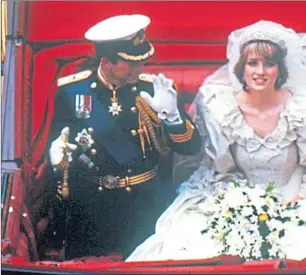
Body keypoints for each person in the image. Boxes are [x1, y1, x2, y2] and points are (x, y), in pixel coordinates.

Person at [125, 20, 306, 262]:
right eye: (253, 63)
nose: (260, 72)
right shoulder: (220, 107)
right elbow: (221, 170)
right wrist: (238, 208)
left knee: (298, 248)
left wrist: (283, 208)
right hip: (236, 197)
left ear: (281, 69)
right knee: (193, 241)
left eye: (269, 64)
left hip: (293, 199)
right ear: (241, 68)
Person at [38, 14, 202, 260]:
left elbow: (191, 147)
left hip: (145, 205)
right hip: (90, 210)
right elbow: (59, 147)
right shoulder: (72, 91)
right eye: (132, 63)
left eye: (141, 61)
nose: (140, 68)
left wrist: (172, 118)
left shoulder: (153, 89)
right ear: (107, 62)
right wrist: (58, 159)